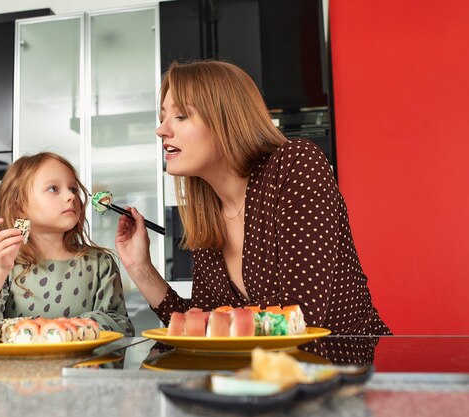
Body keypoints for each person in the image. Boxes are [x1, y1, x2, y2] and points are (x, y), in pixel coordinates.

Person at [115, 60, 390, 335]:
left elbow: (300, 317)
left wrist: (221, 325)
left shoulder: (296, 164)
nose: (161, 130)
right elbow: (203, 327)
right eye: (162, 117)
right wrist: (141, 269)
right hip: (263, 375)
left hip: (346, 370)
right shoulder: (208, 212)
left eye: (181, 116)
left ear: (226, 119)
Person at [0, 152, 134, 336]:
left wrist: (64, 330)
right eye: (54, 188)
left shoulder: (100, 263)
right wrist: (0, 269)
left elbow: (120, 327)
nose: (71, 196)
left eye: (73, 189)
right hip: (11, 366)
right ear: (19, 207)